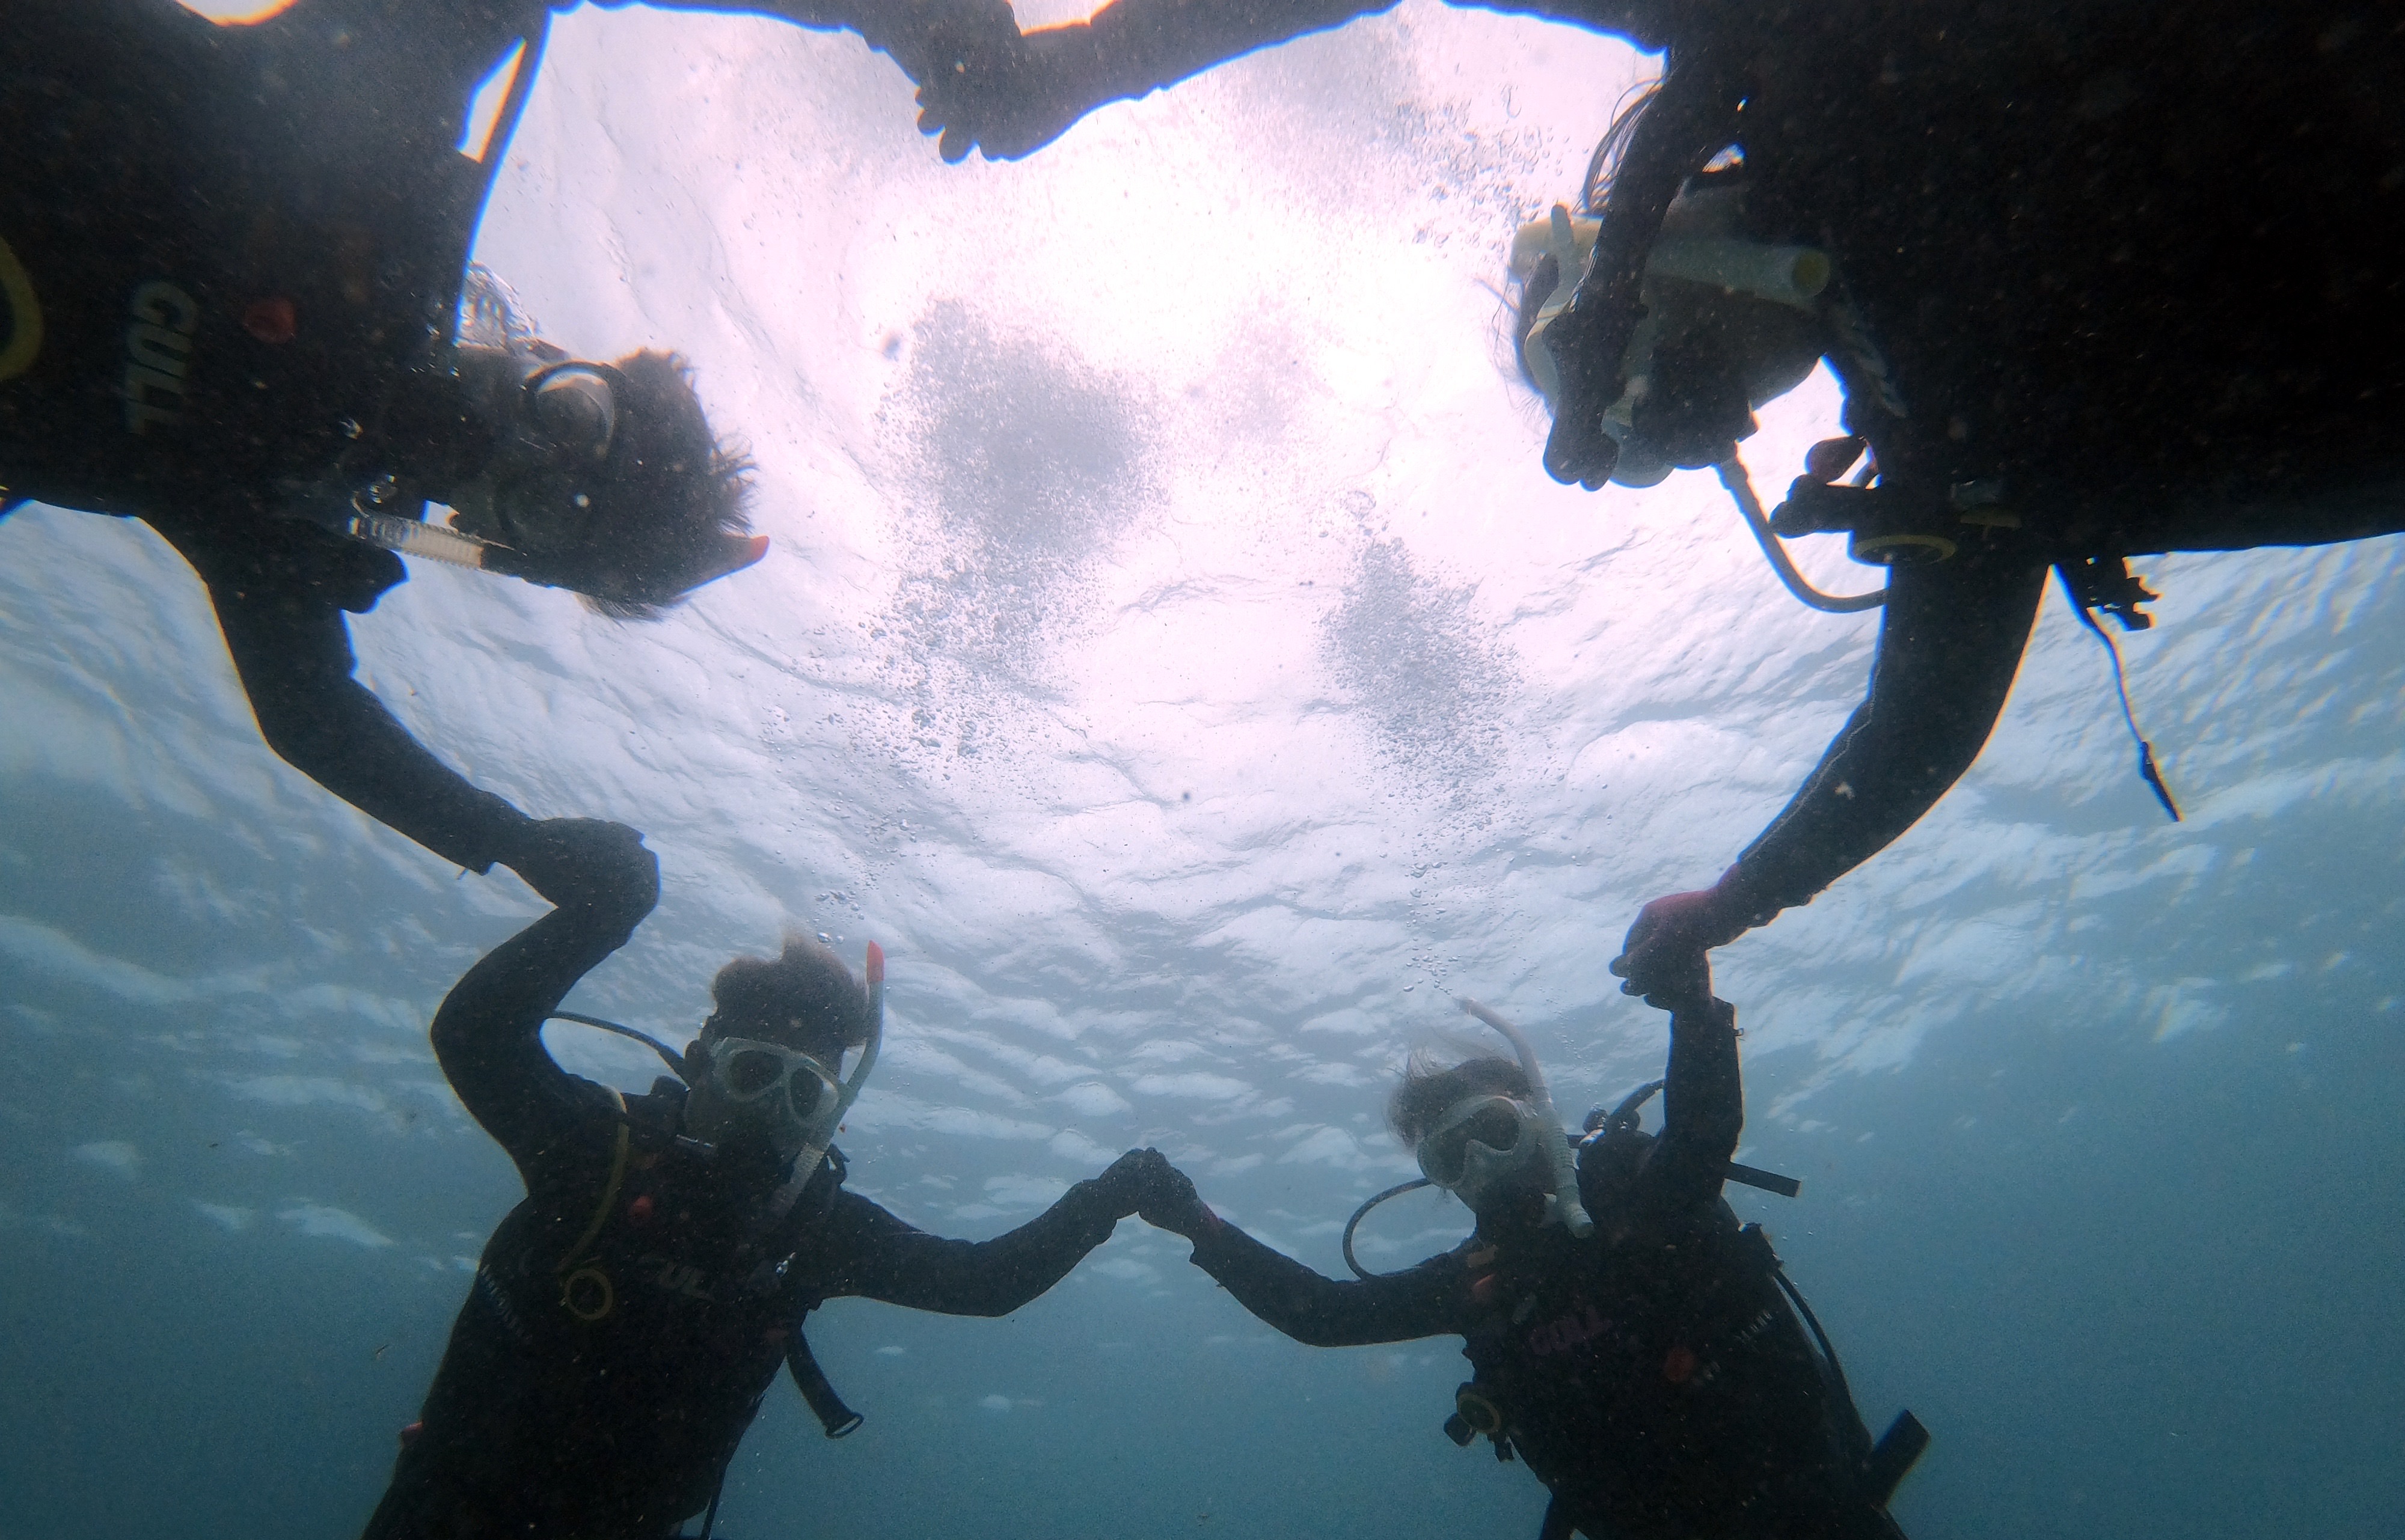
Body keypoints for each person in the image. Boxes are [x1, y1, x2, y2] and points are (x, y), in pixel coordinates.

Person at [902, 0, 2405, 993]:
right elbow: (1918, 729)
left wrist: (1079, 68)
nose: (1636, 411)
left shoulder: (1813, 51)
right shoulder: (1946, 464)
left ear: (1631, 234)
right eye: (1617, 424)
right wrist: (1731, 900)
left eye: (1589, 363)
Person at [1, 0, 1019, 900]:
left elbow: (311, 717)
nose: (502, 448)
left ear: (492, 543)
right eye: (573, 420)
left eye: (534, 501)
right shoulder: (370, 156)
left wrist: (511, 842)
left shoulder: (273, 502)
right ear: (556, 352)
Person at [257, 816, 1184, 1540]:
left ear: (828, 1114)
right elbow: (473, 1035)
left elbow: (982, 1282)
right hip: (436, 1534)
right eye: (748, 1075)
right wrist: (604, 914)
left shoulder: (813, 1230)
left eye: (800, 1096)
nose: (766, 1115)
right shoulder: (593, 1155)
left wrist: (1111, 1194)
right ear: (700, 1063)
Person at [1126, 953, 2088, 1540]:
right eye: (1450, 1155)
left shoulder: (1644, 1193)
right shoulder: (1478, 1288)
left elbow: (1706, 1130)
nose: (1481, 1165)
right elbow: (1322, 1317)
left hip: (1832, 1533)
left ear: (1539, 1118)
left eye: (1493, 1130)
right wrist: (1195, 1223)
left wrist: (1691, 1000)